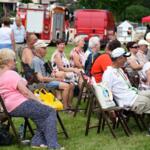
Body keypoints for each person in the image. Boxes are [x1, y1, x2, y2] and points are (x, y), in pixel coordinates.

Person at [0, 48, 64, 150]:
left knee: (40, 116)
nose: (15, 61)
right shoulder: (11, 73)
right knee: (50, 111)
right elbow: (25, 91)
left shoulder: (1, 74)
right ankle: (53, 145)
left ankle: (37, 142)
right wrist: (39, 101)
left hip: (10, 106)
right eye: (13, 59)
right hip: (19, 103)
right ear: (8, 61)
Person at [102, 47, 150, 115]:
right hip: (129, 101)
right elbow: (106, 92)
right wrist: (111, 111)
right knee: (148, 101)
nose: (126, 60)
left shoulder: (119, 69)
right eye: (125, 58)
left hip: (133, 94)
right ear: (119, 59)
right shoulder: (108, 73)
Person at [32, 40, 73, 109]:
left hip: (49, 81)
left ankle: (67, 105)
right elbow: (40, 78)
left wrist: (53, 74)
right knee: (66, 86)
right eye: (44, 48)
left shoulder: (42, 59)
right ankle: (65, 108)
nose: (46, 50)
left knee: (71, 85)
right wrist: (56, 79)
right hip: (43, 84)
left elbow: (48, 72)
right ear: (38, 49)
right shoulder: (36, 60)